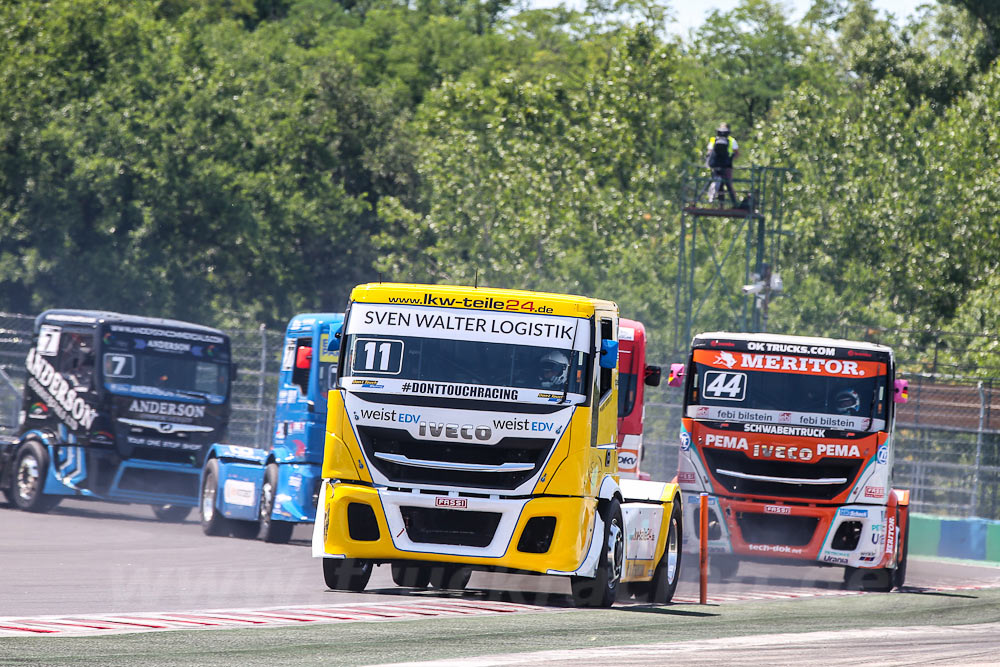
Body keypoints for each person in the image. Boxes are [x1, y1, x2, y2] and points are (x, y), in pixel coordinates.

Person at [705, 122, 739, 207]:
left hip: (726, 167)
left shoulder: (731, 140)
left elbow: (736, 153)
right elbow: (709, 152)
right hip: (717, 165)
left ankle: (734, 204)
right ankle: (721, 205)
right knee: (719, 186)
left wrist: (729, 159)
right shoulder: (714, 140)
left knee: (728, 185)